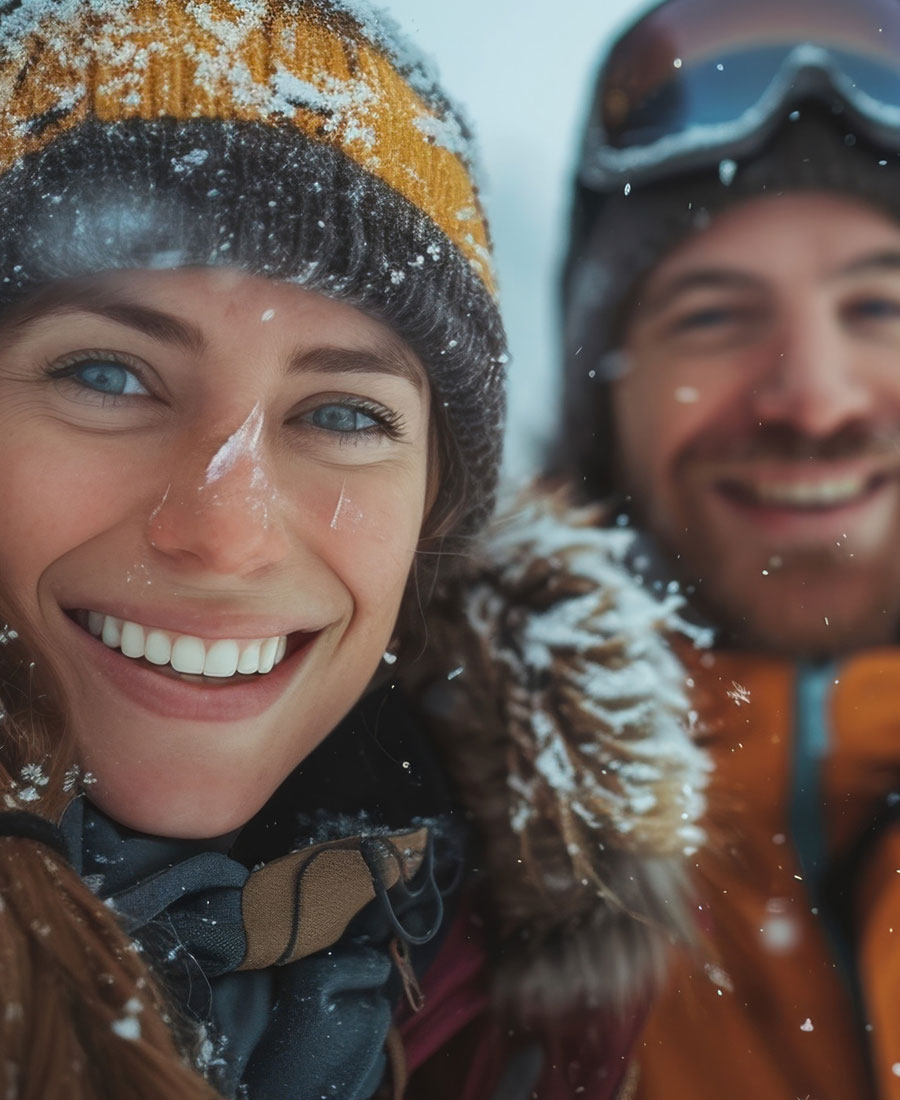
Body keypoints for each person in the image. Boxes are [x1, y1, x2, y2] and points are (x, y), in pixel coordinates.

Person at [0, 3, 708, 1099]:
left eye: (342, 415)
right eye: (106, 374)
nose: (225, 533)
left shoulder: (517, 1007)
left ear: (433, 515)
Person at [554, 0, 900, 1096]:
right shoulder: (418, 866)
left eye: (879, 308)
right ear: (606, 401)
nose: (816, 400)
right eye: (712, 316)